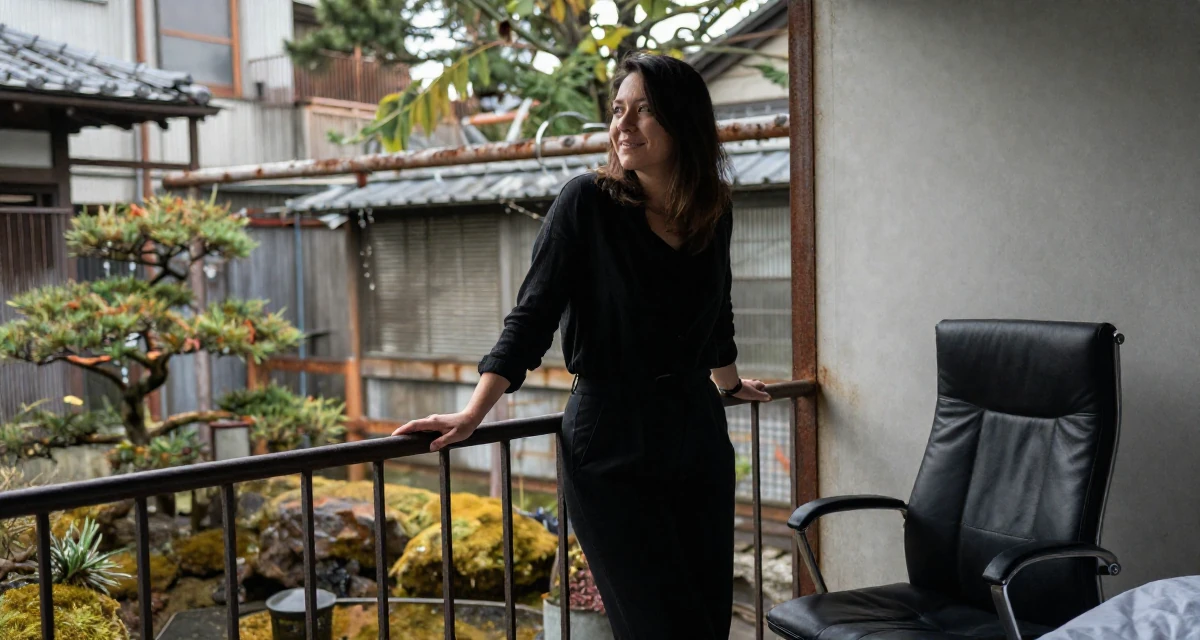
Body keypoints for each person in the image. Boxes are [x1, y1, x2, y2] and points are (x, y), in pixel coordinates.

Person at [392, 52, 771, 639]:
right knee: (651, 625)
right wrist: (473, 414)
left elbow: (716, 308)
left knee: (704, 618)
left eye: (644, 111)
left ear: (685, 121)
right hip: (611, 437)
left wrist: (727, 383)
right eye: (618, 110)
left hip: (696, 428)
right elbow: (533, 315)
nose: (623, 125)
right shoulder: (587, 202)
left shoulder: (712, 207)